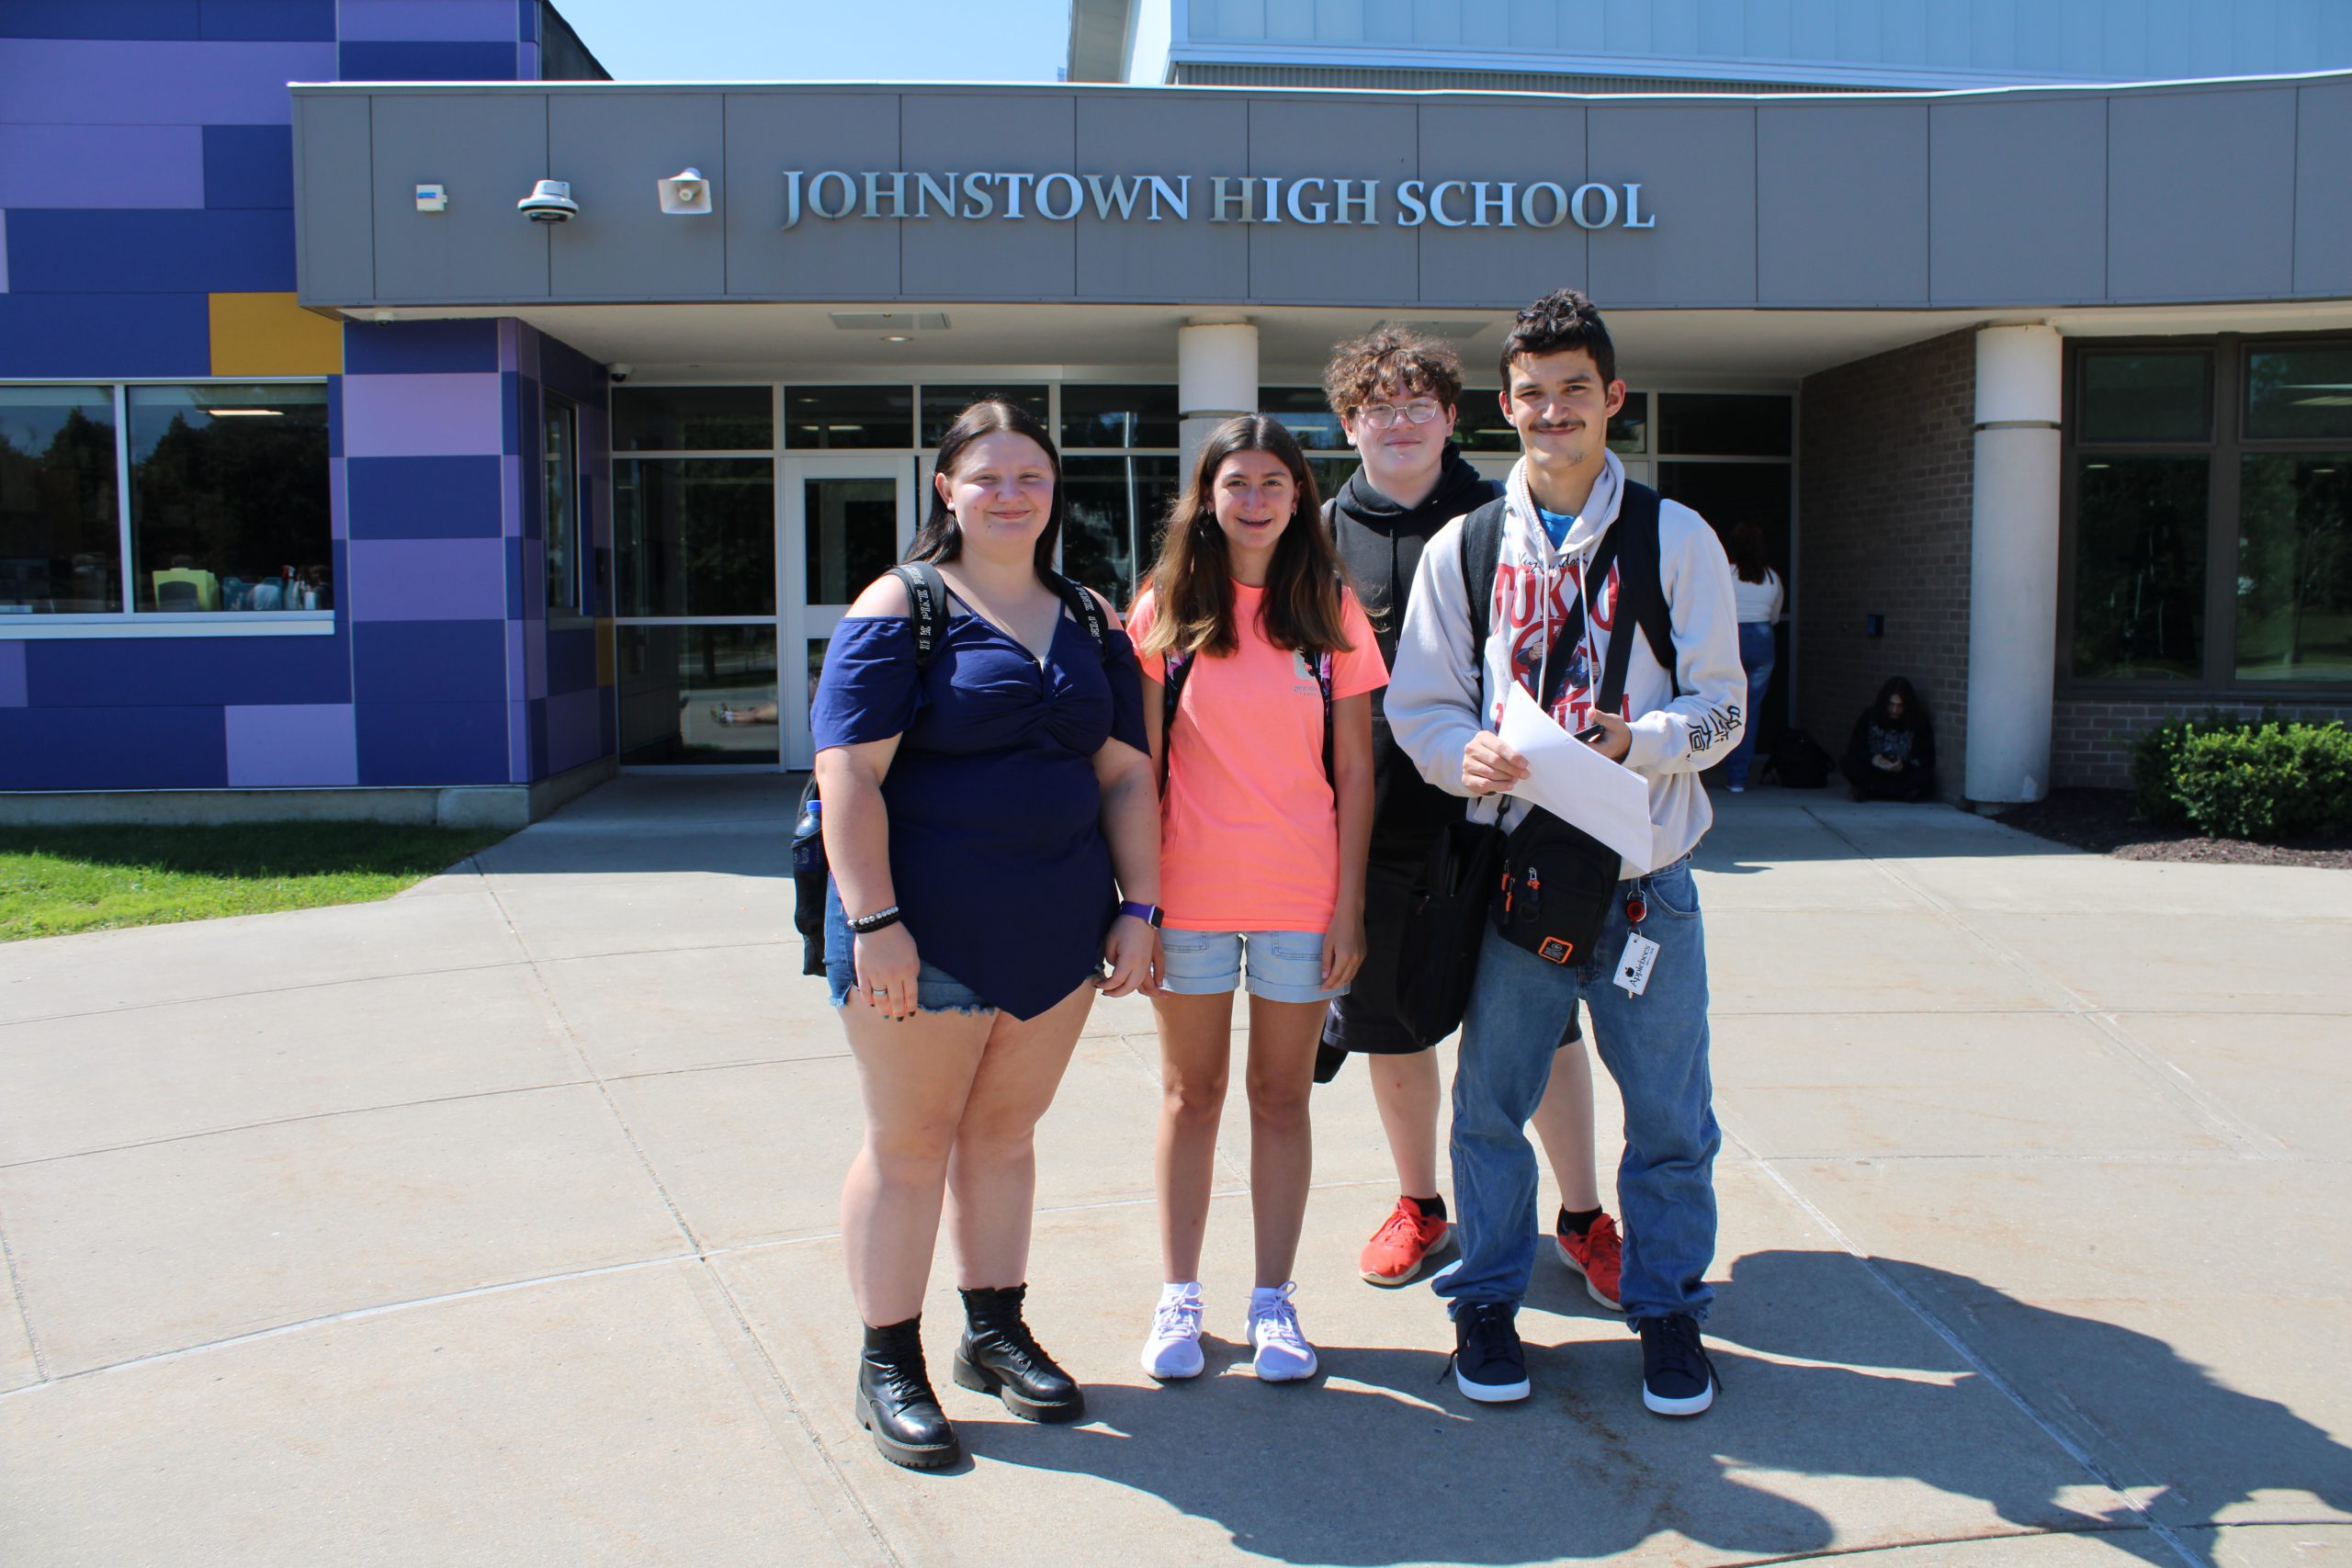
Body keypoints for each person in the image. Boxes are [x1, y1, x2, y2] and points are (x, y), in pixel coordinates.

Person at [1388, 288, 1746, 1417]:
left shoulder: (1675, 537)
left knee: (1672, 1119)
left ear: (1613, 400)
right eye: (1532, 395)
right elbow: (1420, 706)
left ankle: (1668, 1311)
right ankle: (1486, 1303)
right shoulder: (1467, 545)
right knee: (1489, 1107)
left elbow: (1725, 712)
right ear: (1505, 406)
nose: (1552, 413)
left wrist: (1635, 740)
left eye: (1574, 393)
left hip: (1644, 885)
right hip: (1516, 876)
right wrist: (1468, 758)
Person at [809, 399, 1161, 1470]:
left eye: (1031, 478)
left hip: (1057, 927)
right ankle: (888, 1363)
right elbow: (847, 776)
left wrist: (1139, 907)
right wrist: (874, 921)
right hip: (921, 932)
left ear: (1054, 495)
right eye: (988, 477)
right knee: (910, 1145)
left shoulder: (1093, 616)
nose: (1010, 495)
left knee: (1004, 1139)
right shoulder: (899, 605)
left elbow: (1127, 773)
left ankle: (993, 1332)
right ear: (945, 489)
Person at [1315, 328, 1624, 1309]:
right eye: (1376, 407)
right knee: (1391, 1027)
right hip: (1374, 828)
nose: (1397, 423)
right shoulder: (1313, 537)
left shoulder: (1511, 521)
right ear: (1347, 424)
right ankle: (1420, 1205)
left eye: (1418, 405)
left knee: (1543, 1023)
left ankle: (1582, 1216)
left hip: (1507, 820)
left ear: (1454, 418)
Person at [1126, 414, 1385, 1384]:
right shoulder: (1162, 606)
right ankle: (1179, 1297)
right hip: (1186, 895)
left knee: (1281, 1099)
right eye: (1236, 483)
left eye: (1274, 482)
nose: (1255, 500)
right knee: (1191, 1098)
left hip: (1300, 894)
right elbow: (1139, 768)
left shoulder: (1329, 606)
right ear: (1207, 495)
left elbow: (1356, 772)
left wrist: (1347, 907)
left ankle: (1273, 1301)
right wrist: (1138, 905)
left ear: (1299, 497)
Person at [1720, 522, 1783, 793]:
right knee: (1750, 711)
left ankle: (1708, 765)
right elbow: (1775, 617)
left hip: (1730, 640)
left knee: (1719, 706)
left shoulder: (1725, 573)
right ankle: (1738, 779)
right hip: (1762, 640)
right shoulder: (1772, 578)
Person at [1840, 676, 1937, 801]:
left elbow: (1925, 758)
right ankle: (1893, 792)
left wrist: (1903, 766)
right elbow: (1855, 747)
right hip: (1874, 770)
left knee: (1924, 775)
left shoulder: (1919, 721)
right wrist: (1873, 759)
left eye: (1900, 706)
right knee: (1847, 762)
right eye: (1891, 704)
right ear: (1884, 702)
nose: (1895, 710)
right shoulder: (1869, 716)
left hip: (1901, 772)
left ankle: (1872, 790)